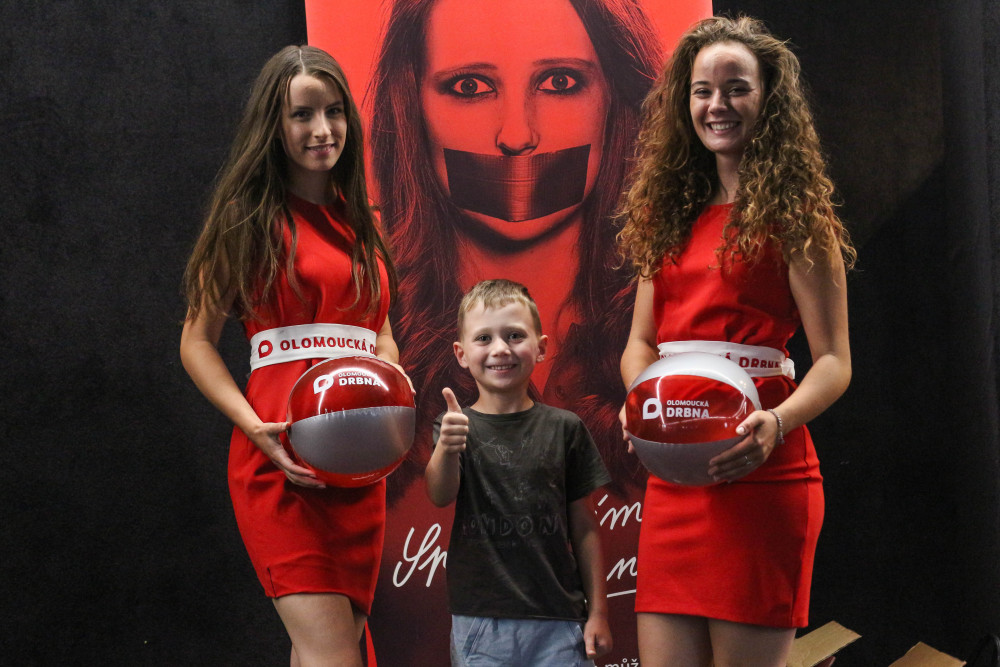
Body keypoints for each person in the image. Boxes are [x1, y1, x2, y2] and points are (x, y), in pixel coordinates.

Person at [616, 16, 856, 667]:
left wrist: (777, 423)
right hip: (675, 476)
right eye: (702, 90)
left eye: (736, 88)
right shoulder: (665, 214)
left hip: (761, 473)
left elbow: (834, 362)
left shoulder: (798, 218)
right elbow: (639, 343)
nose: (717, 104)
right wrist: (642, 402)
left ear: (768, 99)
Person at [367, 0, 663, 495]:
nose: (517, 135)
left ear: (616, 99)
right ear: (411, 105)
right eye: (470, 86)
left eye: (560, 82)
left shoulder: (664, 294)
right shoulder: (376, 310)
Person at [179, 45, 402, 666]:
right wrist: (254, 427)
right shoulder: (245, 219)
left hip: (360, 467)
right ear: (273, 126)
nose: (322, 129)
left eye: (334, 111)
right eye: (302, 114)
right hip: (281, 460)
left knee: (326, 652)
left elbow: (379, 332)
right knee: (333, 654)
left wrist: (392, 392)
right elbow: (195, 342)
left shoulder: (363, 221)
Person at [426, 279, 613, 666]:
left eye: (514, 335)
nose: (500, 349)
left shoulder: (566, 428)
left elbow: (583, 527)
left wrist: (598, 612)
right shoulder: (454, 425)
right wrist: (447, 445)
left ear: (540, 348)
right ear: (461, 354)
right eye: (484, 338)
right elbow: (440, 494)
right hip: (481, 620)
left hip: (561, 619)